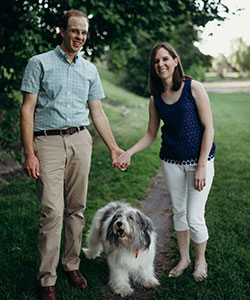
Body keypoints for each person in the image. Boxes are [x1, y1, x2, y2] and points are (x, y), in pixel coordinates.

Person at [20, 9, 124, 300]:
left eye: (84, 33)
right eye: (75, 31)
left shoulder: (89, 69)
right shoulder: (38, 63)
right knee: (51, 211)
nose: (79, 37)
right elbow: (27, 109)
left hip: (80, 139)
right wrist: (30, 153)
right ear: (62, 31)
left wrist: (114, 147)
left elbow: (98, 112)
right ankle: (46, 279)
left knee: (76, 208)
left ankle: (71, 264)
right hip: (47, 143)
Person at [113, 42, 216, 282]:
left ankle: (201, 260)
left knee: (194, 215)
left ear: (175, 60)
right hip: (171, 161)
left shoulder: (194, 88)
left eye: (165, 59)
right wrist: (128, 152)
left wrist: (201, 164)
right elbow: (151, 134)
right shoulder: (156, 99)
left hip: (200, 161)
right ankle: (184, 259)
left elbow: (209, 128)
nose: (161, 64)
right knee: (179, 211)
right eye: (156, 61)